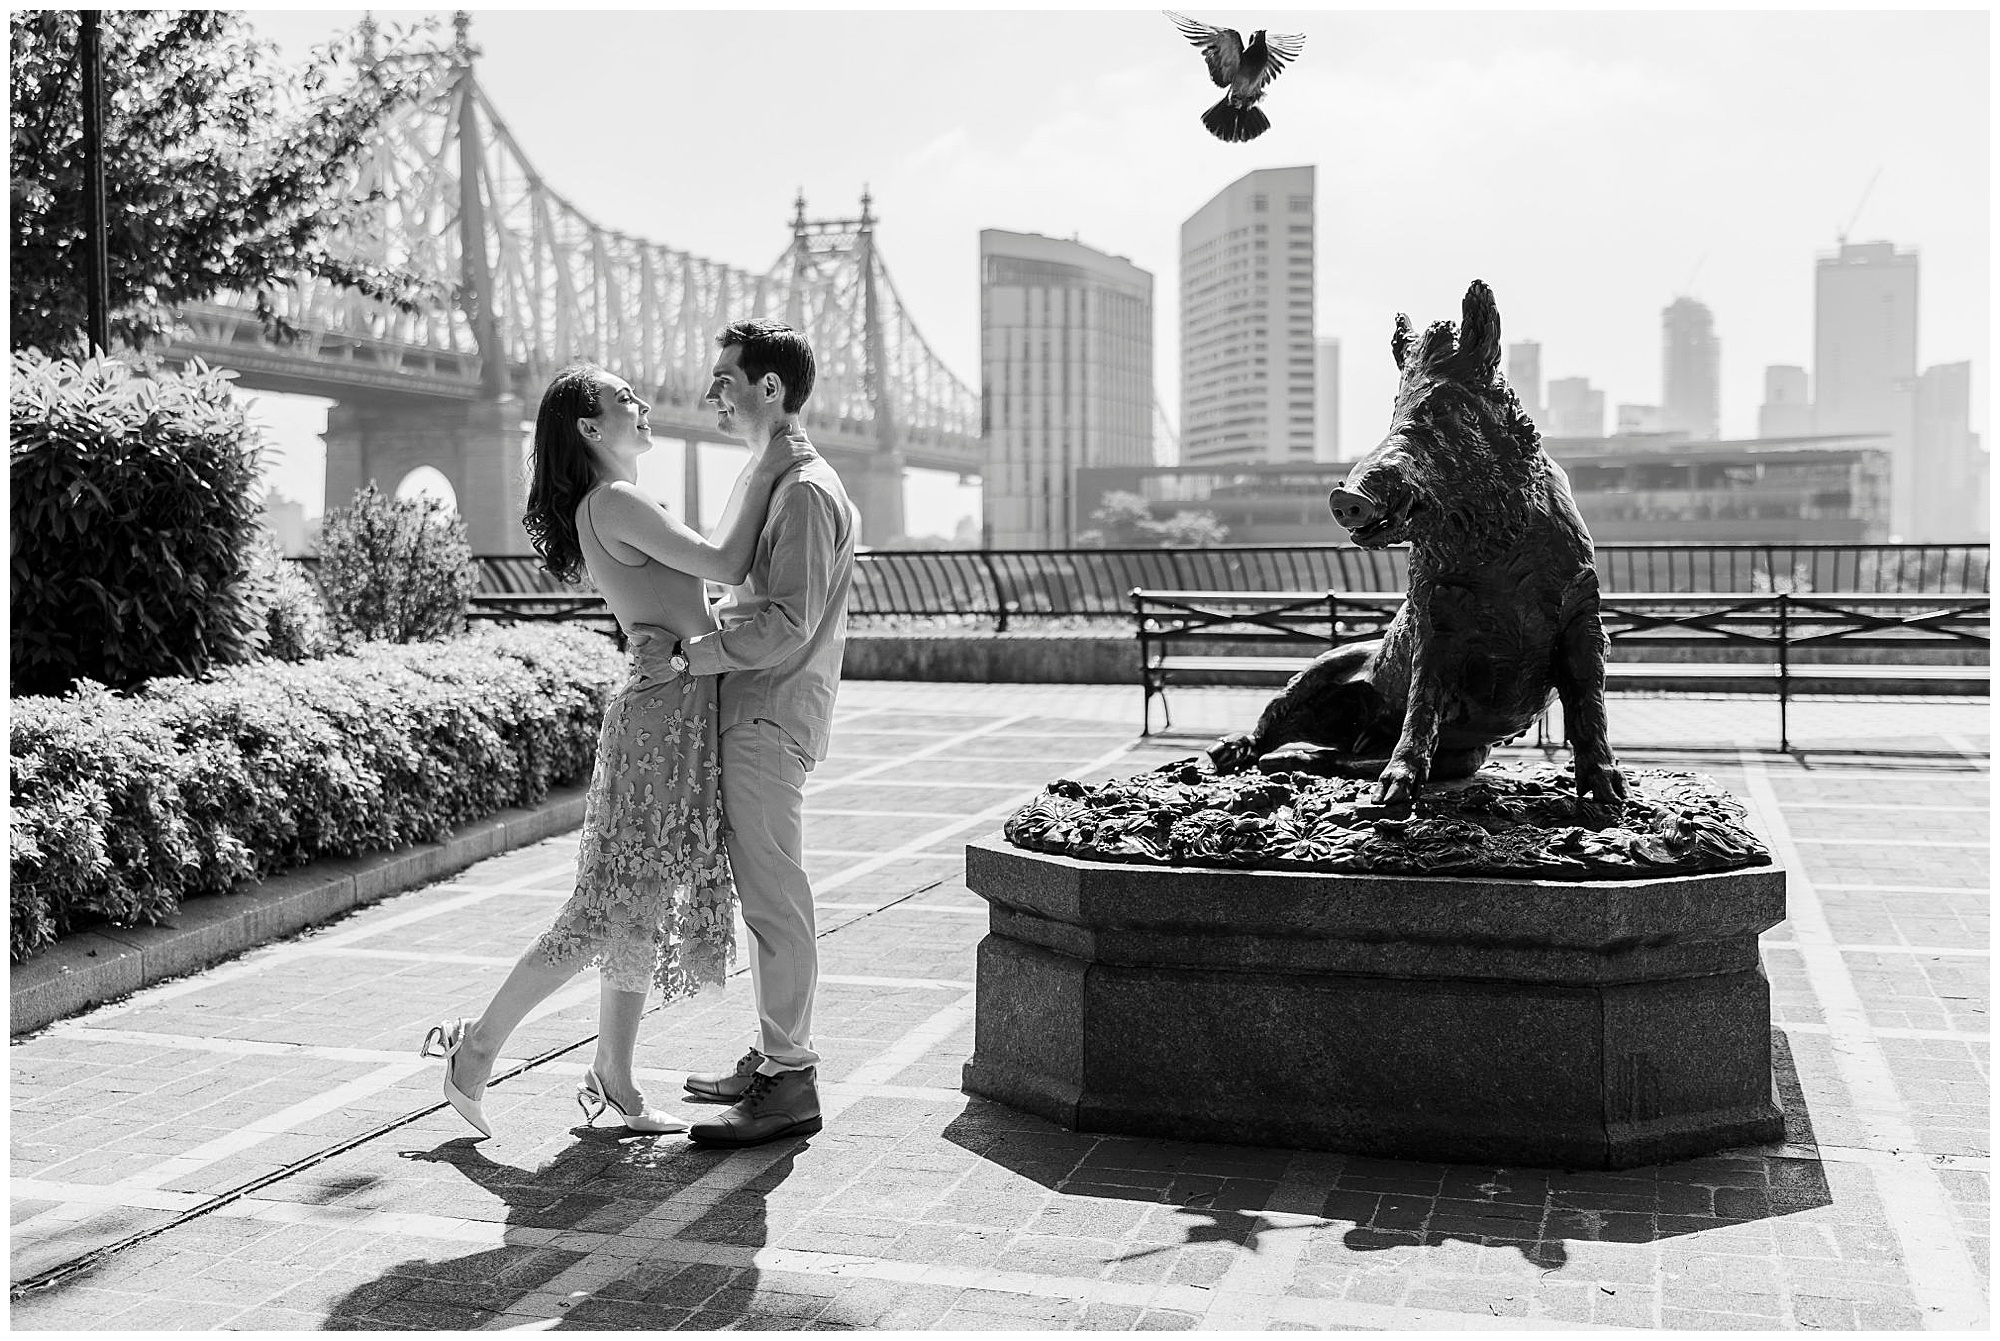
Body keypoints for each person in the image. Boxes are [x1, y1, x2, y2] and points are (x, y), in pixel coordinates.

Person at [419, 361, 806, 1138]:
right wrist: (775, 448)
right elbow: (727, 564)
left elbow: (704, 590)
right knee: (602, 910)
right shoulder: (616, 500)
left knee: (636, 907)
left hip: (676, 714)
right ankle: (475, 1049)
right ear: (591, 429)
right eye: (622, 398)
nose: (641, 403)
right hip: (661, 724)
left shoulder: (616, 502)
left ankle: (617, 1081)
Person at [679, 319, 860, 1147]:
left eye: (724, 379)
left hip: (766, 712)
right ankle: (776, 1056)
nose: (711, 393)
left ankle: (791, 1080)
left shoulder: (806, 492)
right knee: (767, 899)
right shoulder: (784, 481)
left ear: (771, 388)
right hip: (759, 706)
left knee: (778, 898)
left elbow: (789, 621)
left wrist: (696, 654)